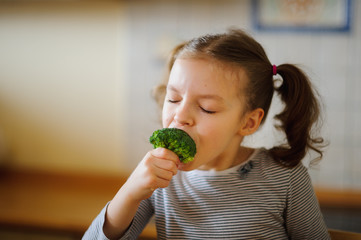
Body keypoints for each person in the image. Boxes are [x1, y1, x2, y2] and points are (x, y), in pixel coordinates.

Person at [83, 29, 330, 239]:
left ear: (248, 122)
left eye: (206, 108)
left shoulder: (285, 179)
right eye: (173, 98)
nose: (180, 116)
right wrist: (129, 193)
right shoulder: (160, 179)